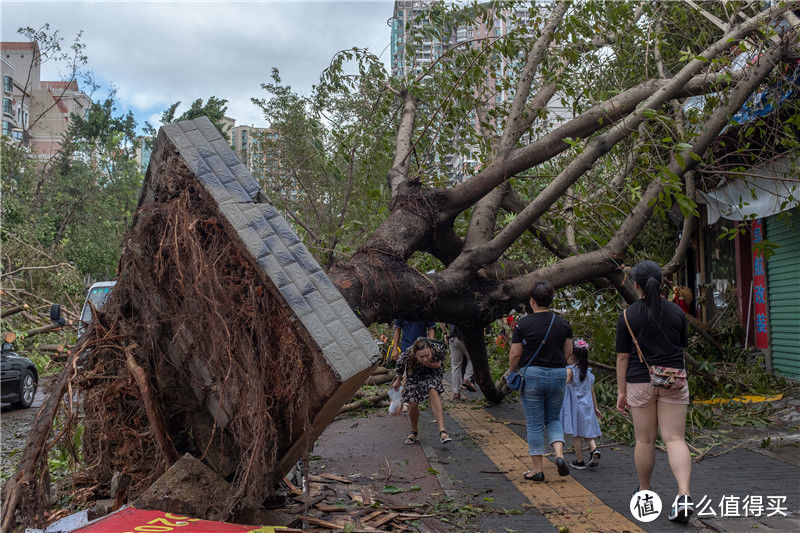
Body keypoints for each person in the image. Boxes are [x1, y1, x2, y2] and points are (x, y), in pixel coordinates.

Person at [615, 260, 693, 523]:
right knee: (674, 440)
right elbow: (680, 347)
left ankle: (645, 493)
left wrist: (621, 392)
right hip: (674, 381)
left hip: (640, 382)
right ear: (661, 283)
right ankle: (683, 495)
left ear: (635, 285)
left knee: (645, 441)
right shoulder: (676, 313)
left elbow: (623, 359)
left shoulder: (627, 316)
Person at [509, 280, 573, 482]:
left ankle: (537, 470)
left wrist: (512, 372)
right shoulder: (563, 324)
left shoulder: (523, 324)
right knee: (553, 418)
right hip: (557, 375)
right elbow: (569, 354)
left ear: (532, 301)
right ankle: (559, 455)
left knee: (535, 423)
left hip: (533, 376)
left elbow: (515, 355)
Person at [391, 338, 453, 445]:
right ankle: (414, 431)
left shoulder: (438, 349)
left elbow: (443, 358)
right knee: (412, 402)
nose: (425, 359)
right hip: (415, 376)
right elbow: (400, 368)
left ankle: (442, 431)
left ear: (431, 350)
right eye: (421, 357)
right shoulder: (407, 355)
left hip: (432, 373)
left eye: (427, 355)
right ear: (415, 354)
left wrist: (438, 364)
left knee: (433, 390)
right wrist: (398, 381)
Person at [560, 338, 602, 469]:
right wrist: (596, 408)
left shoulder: (570, 371)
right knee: (588, 433)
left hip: (576, 407)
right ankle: (594, 450)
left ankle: (579, 461)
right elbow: (592, 391)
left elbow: (562, 386)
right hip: (588, 406)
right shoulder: (588, 373)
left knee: (577, 435)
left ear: (573, 355)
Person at [443, 324, 476, 400]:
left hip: (453, 338)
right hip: (465, 337)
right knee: (472, 358)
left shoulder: (449, 311)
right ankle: (467, 378)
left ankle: (456, 393)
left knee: (455, 366)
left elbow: (442, 322)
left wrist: (445, 333)